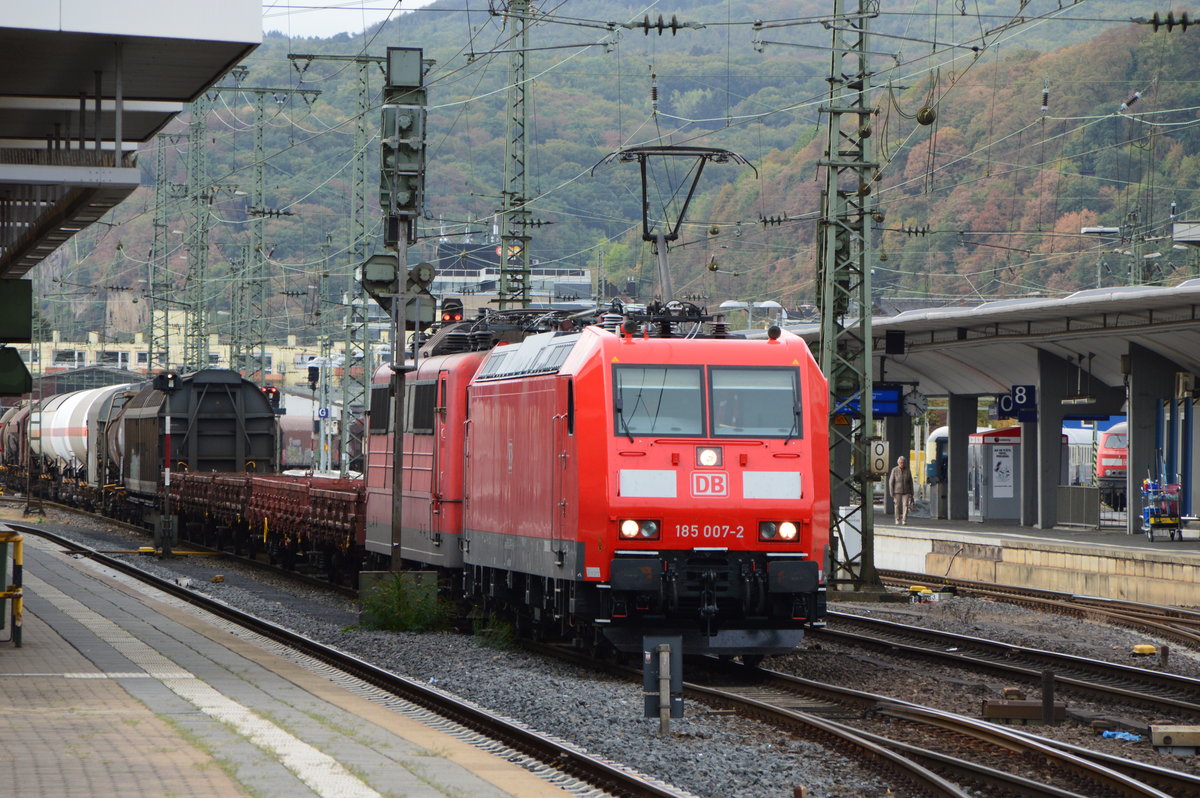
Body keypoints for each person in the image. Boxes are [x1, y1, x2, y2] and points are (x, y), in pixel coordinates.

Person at [889, 455, 914, 525]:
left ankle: (904, 519)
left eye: (903, 462)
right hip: (897, 491)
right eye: (900, 462)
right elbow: (891, 482)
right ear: (898, 463)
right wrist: (891, 492)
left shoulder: (908, 470)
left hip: (906, 491)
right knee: (897, 505)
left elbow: (911, 482)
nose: (902, 464)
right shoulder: (894, 470)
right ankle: (897, 519)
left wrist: (912, 493)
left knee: (905, 505)